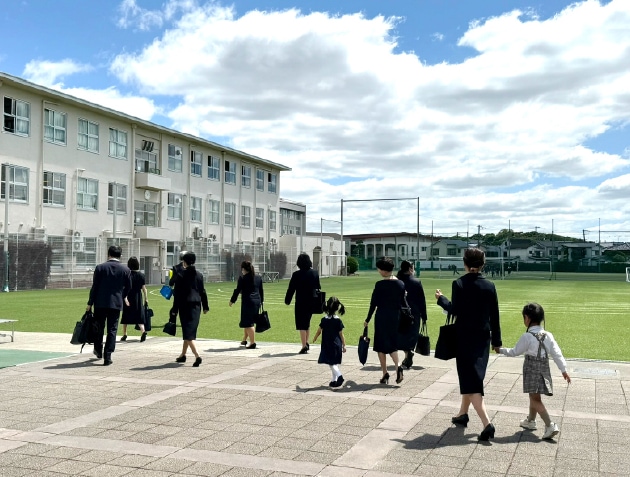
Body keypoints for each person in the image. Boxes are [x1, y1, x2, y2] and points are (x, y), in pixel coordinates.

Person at [435, 247, 502, 441]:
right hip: (482, 337)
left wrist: (441, 299)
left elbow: (455, 310)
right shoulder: (489, 285)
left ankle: (487, 424)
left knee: (471, 380)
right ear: (483, 264)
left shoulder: (459, 283)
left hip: (464, 337)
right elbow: (495, 315)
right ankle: (462, 414)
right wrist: (497, 341)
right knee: (471, 376)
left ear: (464, 263)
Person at [495, 303, 571, 440]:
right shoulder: (548, 335)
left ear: (527, 318)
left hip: (531, 368)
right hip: (544, 368)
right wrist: (563, 370)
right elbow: (557, 353)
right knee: (534, 396)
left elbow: (515, 352)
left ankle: (550, 425)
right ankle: (530, 420)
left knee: (535, 399)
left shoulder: (527, 336)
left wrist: (500, 350)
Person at [86, 245, 132, 366]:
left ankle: (98, 350)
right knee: (112, 329)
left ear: (108, 254)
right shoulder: (125, 270)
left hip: (100, 302)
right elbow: (129, 287)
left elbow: (95, 287)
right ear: (120, 255)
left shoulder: (100, 268)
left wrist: (90, 303)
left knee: (98, 327)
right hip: (116, 303)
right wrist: (123, 296)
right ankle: (108, 355)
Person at [364, 257, 406, 385]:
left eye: (379, 269)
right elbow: (403, 302)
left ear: (383, 270)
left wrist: (367, 319)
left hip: (381, 316)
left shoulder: (380, 285)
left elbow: (373, 304)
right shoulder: (400, 284)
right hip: (395, 317)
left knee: (380, 346)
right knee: (392, 344)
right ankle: (398, 366)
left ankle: (385, 373)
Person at [173, 252, 209, 366]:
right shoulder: (199, 275)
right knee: (188, 331)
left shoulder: (181, 275)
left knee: (188, 333)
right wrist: (205, 306)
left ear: (184, 262)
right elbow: (203, 291)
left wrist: (174, 309)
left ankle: (197, 356)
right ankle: (183, 355)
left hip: (184, 306)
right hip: (197, 306)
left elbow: (177, 294)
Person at [285, 253, 321, 354]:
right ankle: (307, 342)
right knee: (307, 323)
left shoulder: (296, 274)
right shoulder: (314, 273)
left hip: (300, 301)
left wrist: (287, 300)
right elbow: (318, 287)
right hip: (312, 301)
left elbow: (291, 289)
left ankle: (304, 345)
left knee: (301, 324)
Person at [396, 260, 427, 369]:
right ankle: (408, 353)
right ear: (410, 269)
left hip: (400, 311)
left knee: (401, 334)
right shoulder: (416, 282)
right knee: (412, 335)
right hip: (414, 312)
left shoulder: (397, 281)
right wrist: (424, 315)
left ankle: (407, 355)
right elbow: (421, 300)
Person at [312, 296, 347, 388]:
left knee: (331, 363)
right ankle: (333, 380)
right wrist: (344, 345)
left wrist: (315, 337)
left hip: (328, 344)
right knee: (334, 362)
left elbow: (319, 331)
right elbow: (341, 334)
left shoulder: (324, 320)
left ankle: (339, 376)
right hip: (337, 344)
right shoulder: (338, 321)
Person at [229, 261, 263, 349]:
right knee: (248, 321)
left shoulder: (243, 278)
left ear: (244, 269)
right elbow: (261, 291)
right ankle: (244, 339)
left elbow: (237, 290)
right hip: (257, 301)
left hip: (248, 302)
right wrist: (261, 301)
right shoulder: (258, 278)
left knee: (248, 323)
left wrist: (232, 300)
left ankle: (252, 343)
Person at [120, 256, 148, 342]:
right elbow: (144, 288)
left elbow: (123, 287)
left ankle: (125, 334)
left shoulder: (127, 274)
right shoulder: (141, 275)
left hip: (128, 296)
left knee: (126, 315)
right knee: (139, 315)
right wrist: (146, 298)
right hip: (137, 297)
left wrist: (124, 297)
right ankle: (143, 331)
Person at [168, 251, 187, 322]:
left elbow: (172, 282)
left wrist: (171, 283)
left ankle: (172, 322)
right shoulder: (191, 268)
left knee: (175, 308)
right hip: (188, 292)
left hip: (178, 292)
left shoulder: (176, 268)